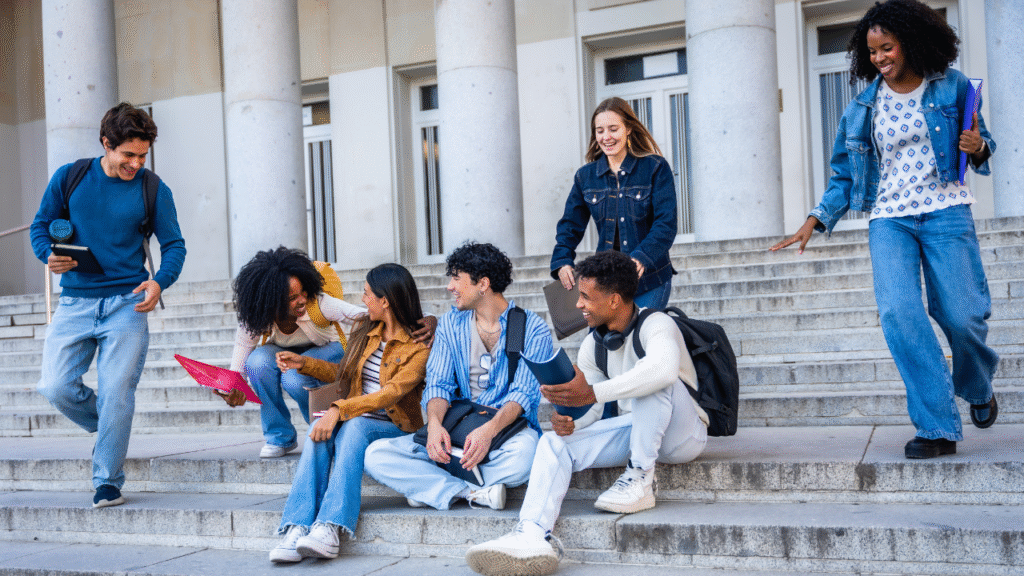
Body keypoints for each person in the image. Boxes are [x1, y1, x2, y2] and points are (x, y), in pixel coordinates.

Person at [770, 0, 998, 459]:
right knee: (899, 313)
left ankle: (976, 385)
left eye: (887, 48)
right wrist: (815, 219)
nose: (880, 58)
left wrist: (977, 147)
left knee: (962, 315)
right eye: (872, 52)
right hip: (889, 218)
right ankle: (936, 426)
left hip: (945, 209)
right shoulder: (861, 108)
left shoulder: (951, 87)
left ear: (910, 43)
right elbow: (844, 176)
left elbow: (982, 144)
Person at [464, 250, 708, 576]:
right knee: (552, 443)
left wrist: (594, 391)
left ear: (615, 301)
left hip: (683, 435)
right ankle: (532, 533)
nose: (577, 305)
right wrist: (571, 421)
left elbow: (663, 372)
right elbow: (593, 409)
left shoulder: (657, 324)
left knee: (653, 380)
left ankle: (640, 481)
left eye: (585, 297)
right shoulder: (594, 344)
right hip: (637, 430)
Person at [30, 103, 187, 508]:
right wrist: (48, 253)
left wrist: (158, 281)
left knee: (117, 394)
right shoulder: (71, 177)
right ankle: (111, 433)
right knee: (54, 385)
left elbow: (173, 245)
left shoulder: (153, 188)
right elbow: (40, 225)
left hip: (127, 303)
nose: (135, 163)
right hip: (76, 302)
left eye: (142, 156)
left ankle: (107, 481)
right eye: (127, 155)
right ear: (106, 144)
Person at [364, 242, 554, 511]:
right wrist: (434, 426)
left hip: (504, 433)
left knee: (526, 456)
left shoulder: (532, 328)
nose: (450, 287)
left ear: (483, 284)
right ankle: (472, 492)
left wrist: (488, 431)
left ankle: (432, 487)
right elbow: (439, 384)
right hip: (455, 432)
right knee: (376, 455)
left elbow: (523, 394)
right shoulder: (450, 325)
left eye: (456, 278)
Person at [267, 263, 430, 563]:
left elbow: (390, 394)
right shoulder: (365, 329)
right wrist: (304, 365)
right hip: (355, 415)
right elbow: (346, 375)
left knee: (353, 427)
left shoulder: (418, 347)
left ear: (386, 301)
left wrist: (339, 410)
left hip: (394, 424)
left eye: (368, 293)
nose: (363, 298)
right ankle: (298, 526)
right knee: (318, 431)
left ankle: (330, 526)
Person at [218, 246, 435, 458]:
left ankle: (320, 429)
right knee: (256, 363)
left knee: (293, 377)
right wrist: (232, 389)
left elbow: (368, 315)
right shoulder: (257, 317)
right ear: (270, 301)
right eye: (292, 298)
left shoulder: (320, 304)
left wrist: (426, 319)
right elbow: (241, 357)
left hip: (327, 350)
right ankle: (279, 436)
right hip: (284, 353)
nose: (302, 300)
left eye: (303, 292)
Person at [550, 97, 678, 310]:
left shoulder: (655, 168)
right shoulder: (585, 177)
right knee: (601, 341)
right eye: (600, 131)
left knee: (639, 337)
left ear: (628, 128)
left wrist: (640, 258)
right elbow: (569, 226)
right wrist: (562, 260)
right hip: (605, 281)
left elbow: (666, 224)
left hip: (649, 279)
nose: (606, 137)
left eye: (613, 129)